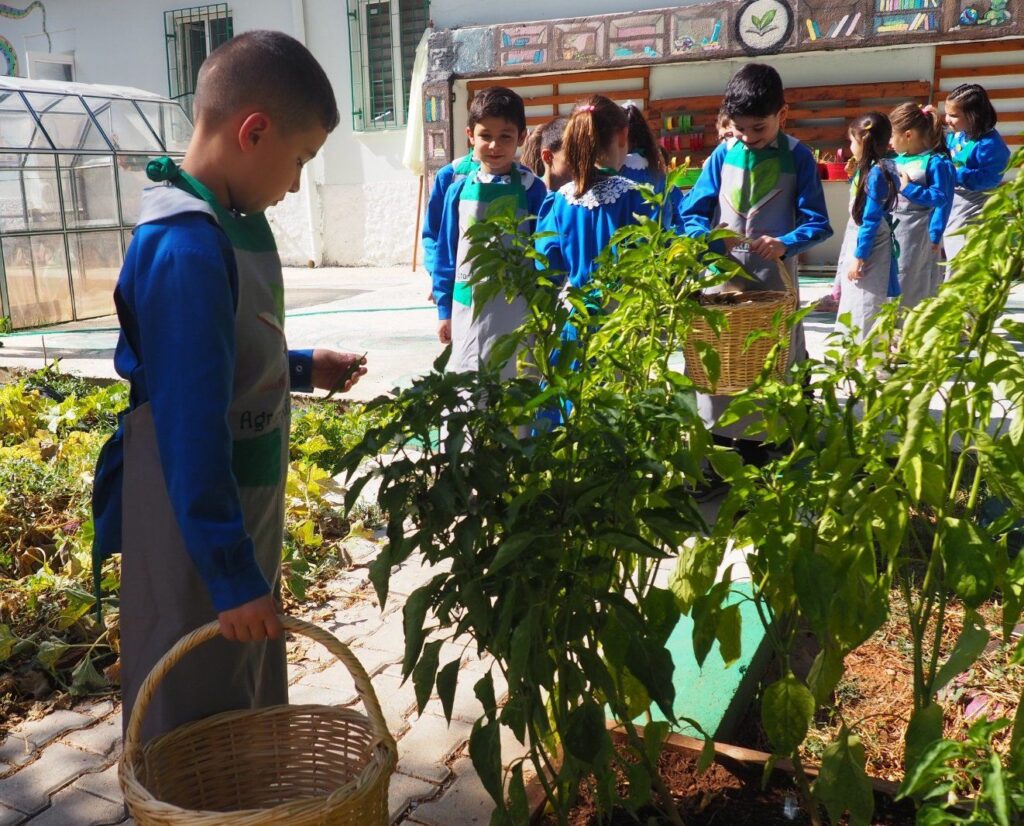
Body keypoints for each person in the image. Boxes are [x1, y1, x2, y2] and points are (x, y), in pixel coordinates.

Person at [90, 31, 366, 744]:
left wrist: (302, 366)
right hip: (198, 522)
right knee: (194, 710)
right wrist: (231, 573)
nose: (297, 184)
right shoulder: (184, 246)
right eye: (300, 161)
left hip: (241, 507)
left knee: (239, 699)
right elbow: (190, 424)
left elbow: (223, 350)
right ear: (254, 132)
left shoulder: (225, 219)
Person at [677, 63, 832, 461]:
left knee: (771, 363)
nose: (748, 138)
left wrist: (785, 242)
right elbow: (693, 212)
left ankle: (768, 451)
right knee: (723, 363)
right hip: (723, 286)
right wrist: (710, 242)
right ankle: (719, 452)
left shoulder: (798, 158)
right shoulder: (723, 153)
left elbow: (817, 222)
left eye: (758, 129)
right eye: (740, 128)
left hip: (774, 284)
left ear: (782, 114)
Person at [432, 87, 547, 378]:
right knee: (469, 383)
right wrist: (444, 310)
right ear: (470, 135)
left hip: (519, 307)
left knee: (516, 384)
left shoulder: (533, 190)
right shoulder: (457, 190)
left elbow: (544, 251)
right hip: (469, 307)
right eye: (486, 136)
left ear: (522, 137)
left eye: (505, 136)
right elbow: (447, 253)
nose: (495, 145)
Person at [536, 95, 657, 296]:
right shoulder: (638, 197)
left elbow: (546, 270)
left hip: (577, 315)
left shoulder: (558, 202)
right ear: (622, 136)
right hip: (625, 317)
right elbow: (654, 260)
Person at [835, 112, 900, 341]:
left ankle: (873, 358)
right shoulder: (871, 170)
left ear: (864, 141)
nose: (850, 146)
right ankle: (858, 353)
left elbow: (870, 219)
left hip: (870, 245)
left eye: (852, 141)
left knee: (868, 303)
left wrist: (860, 257)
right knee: (856, 302)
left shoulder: (877, 174)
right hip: (862, 240)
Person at [889, 103, 955, 309]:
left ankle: (910, 328)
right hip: (892, 230)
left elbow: (942, 198)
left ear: (908, 135)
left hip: (918, 233)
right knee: (893, 277)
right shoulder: (894, 160)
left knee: (913, 280)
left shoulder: (936, 162)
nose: (889, 141)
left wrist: (935, 234)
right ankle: (891, 328)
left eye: (892, 135)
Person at [942, 83, 1011, 265]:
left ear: (973, 117)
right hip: (955, 200)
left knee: (963, 255)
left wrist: (955, 173)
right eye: (946, 113)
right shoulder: (959, 133)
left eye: (954, 115)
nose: (947, 119)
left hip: (975, 203)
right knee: (953, 248)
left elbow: (989, 179)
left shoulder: (991, 145)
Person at [521, 116, 571, 191]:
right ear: (547, 156)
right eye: (573, 158)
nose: (581, 165)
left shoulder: (583, 195)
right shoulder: (529, 194)